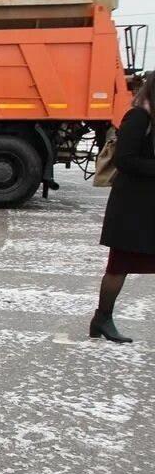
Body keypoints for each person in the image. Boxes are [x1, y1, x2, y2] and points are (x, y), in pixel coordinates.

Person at [92, 73, 155, 343]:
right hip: (133, 208)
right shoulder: (139, 117)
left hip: (148, 207)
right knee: (119, 266)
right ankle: (102, 319)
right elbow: (124, 159)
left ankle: (102, 320)